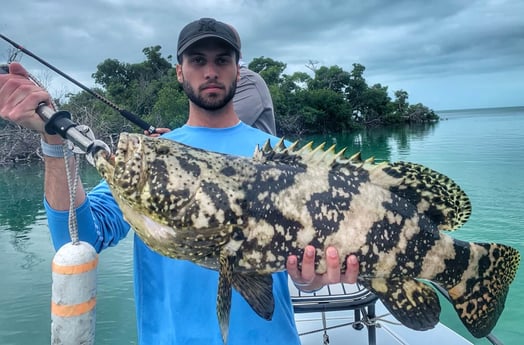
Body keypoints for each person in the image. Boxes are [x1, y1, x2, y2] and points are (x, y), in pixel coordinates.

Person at [0, 18, 359, 344]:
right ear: (179, 72)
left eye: (222, 60)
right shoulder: (151, 158)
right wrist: (52, 140)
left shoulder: (285, 157)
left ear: (237, 69)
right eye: (197, 60)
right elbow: (75, 237)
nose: (210, 71)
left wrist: (309, 279)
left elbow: (307, 270)